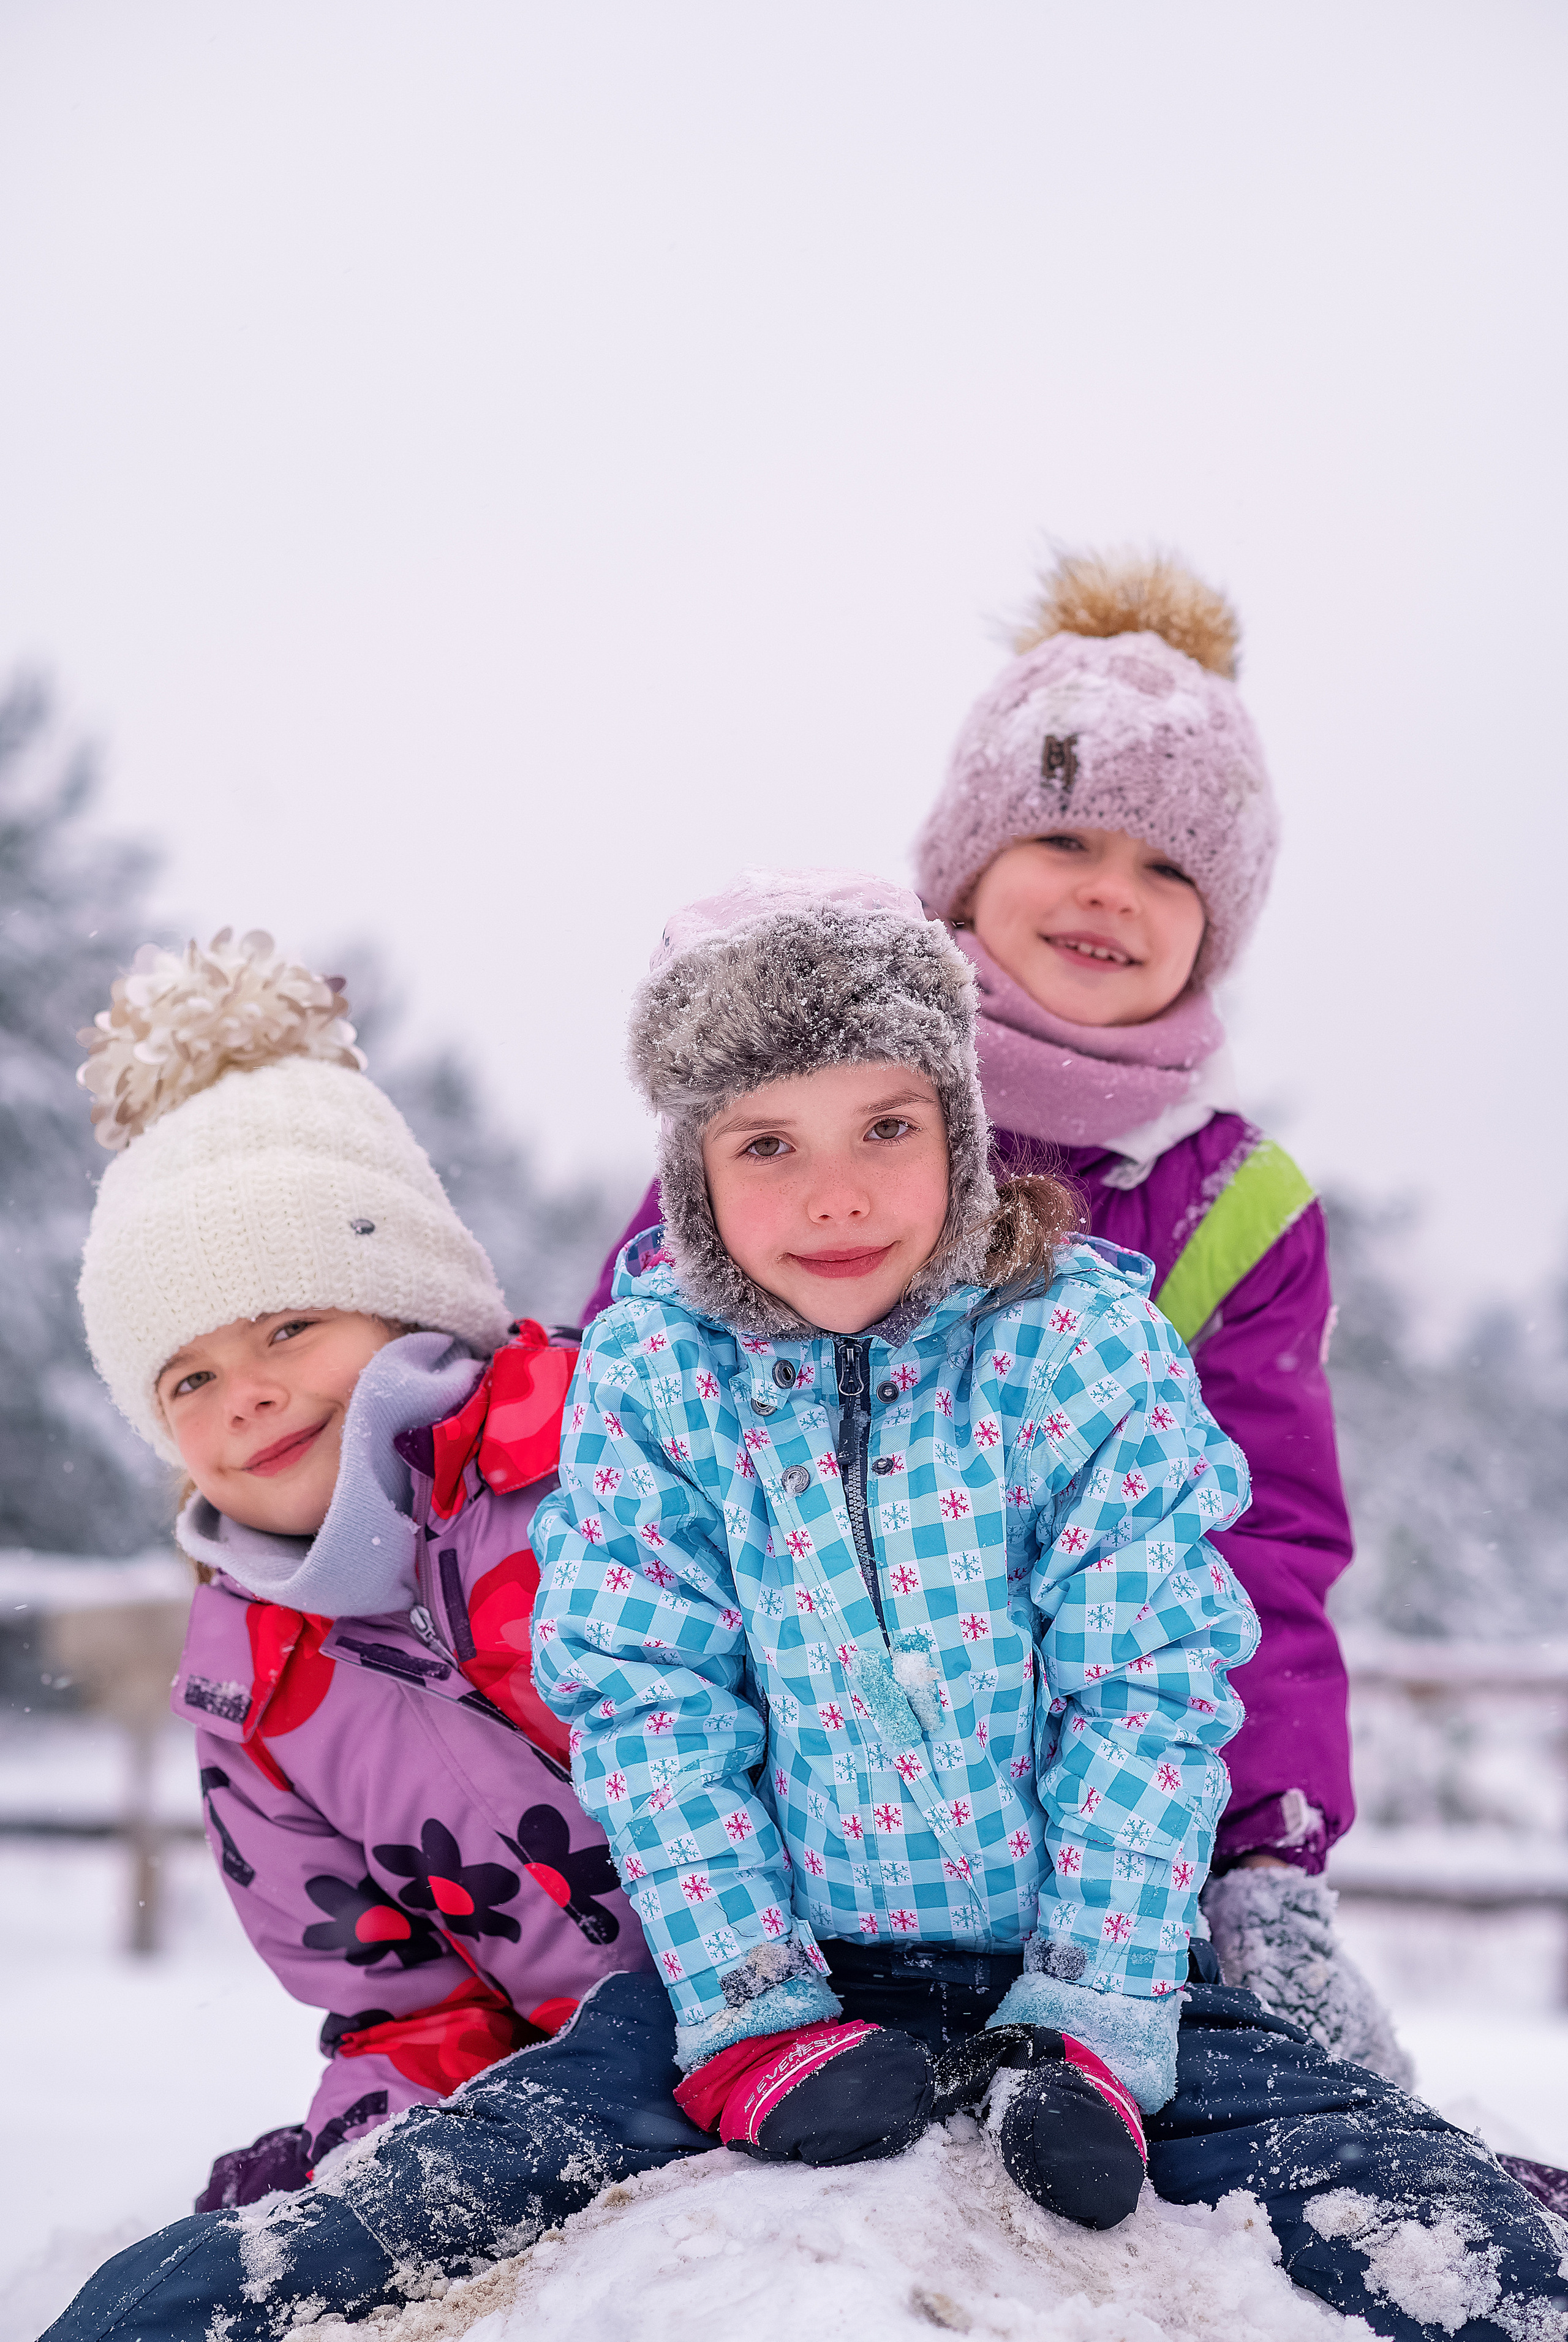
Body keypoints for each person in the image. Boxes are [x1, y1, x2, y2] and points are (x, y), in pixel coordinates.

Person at [51, 885, 1568, 2342]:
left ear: (959, 1132)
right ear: (695, 1175)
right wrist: (752, 2011)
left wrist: (1095, 2021)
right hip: (776, 1963)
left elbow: (1145, 1691)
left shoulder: (1079, 1350)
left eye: (884, 1128)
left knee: (1408, 2200)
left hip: (1095, 1954)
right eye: (765, 1143)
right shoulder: (657, 1383)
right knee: (424, 2198)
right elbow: (651, 1709)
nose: (831, 1193)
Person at [581, 553, 1392, 2075]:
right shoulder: (787, 1113)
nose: (1109, 892)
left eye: (1170, 870)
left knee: (1318, 2103)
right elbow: (631, 1490)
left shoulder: (1232, 1204)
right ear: (960, 868)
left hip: (1114, 1851)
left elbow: (1261, 1542)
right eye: (1066, 836)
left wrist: (1263, 1847)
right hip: (796, 1838)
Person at [72, 931, 650, 2200]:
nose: (250, 1395)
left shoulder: (603, 1459)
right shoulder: (252, 1688)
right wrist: (384, 2140)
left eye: (290, 1324)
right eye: (190, 1377)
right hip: (577, 2083)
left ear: (410, 1303)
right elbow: (389, 1996)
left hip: (826, 1993)